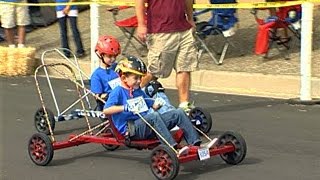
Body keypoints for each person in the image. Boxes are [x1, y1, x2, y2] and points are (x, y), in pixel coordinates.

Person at [103, 55, 217, 155]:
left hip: (145, 125)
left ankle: (195, 144)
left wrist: (155, 104)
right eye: (136, 78)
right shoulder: (117, 91)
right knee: (154, 116)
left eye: (141, 78)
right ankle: (172, 147)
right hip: (131, 130)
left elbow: (146, 101)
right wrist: (124, 107)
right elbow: (106, 110)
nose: (139, 81)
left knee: (178, 113)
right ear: (123, 77)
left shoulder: (137, 90)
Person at [135, 0, 198, 112]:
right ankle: (132, 96)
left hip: (183, 29)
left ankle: (184, 105)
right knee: (154, 71)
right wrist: (141, 24)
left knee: (184, 67)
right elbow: (139, 1)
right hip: (160, 31)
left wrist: (190, 18)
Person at [90, 35, 121, 111]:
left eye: (115, 56)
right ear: (101, 55)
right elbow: (98, 96)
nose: (113, 59)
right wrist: (114, 95)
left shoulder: (118, 68)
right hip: (109, 105)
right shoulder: (97, 75)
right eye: (110, 56)